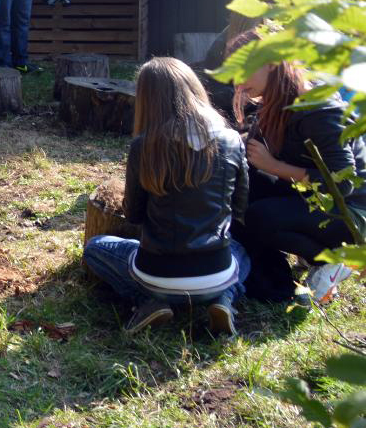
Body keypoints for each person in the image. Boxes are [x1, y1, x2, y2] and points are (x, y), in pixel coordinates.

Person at [83, 57, 251, 335]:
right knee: (243, 252)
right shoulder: (231, 140)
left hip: (156, 271)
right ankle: (225, 299)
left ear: (148, 100)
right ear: (194, 89)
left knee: (96, 247)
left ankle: (148, 302)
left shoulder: (144, 145)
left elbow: (134, 215)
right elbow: (240, 207)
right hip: (216, 268)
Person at [228, 32, 362, 306]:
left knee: (259, 217)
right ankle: (275, 275)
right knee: (240, 187)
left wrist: (276, 167)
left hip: (354, 212)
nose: (237, 82)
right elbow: (249, 155)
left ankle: (335, 259)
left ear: (272, 63)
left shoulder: (317, 107)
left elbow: (343, 181)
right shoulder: (275, 104)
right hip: (317, 199)